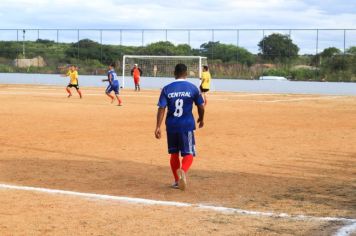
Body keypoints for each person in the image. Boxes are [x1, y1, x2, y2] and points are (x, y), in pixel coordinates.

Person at [155, 63, 205, 191]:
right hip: (186, 125)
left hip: (171, 125)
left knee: (174, 154)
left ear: (174, 73)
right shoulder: (193, 88)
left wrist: (158, 127)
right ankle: (182, 171)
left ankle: (177, 181)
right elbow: (200, 106)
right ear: (186, 73)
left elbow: (162, 108)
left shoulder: (167, 89)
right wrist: (201, 118)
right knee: (188, 153)